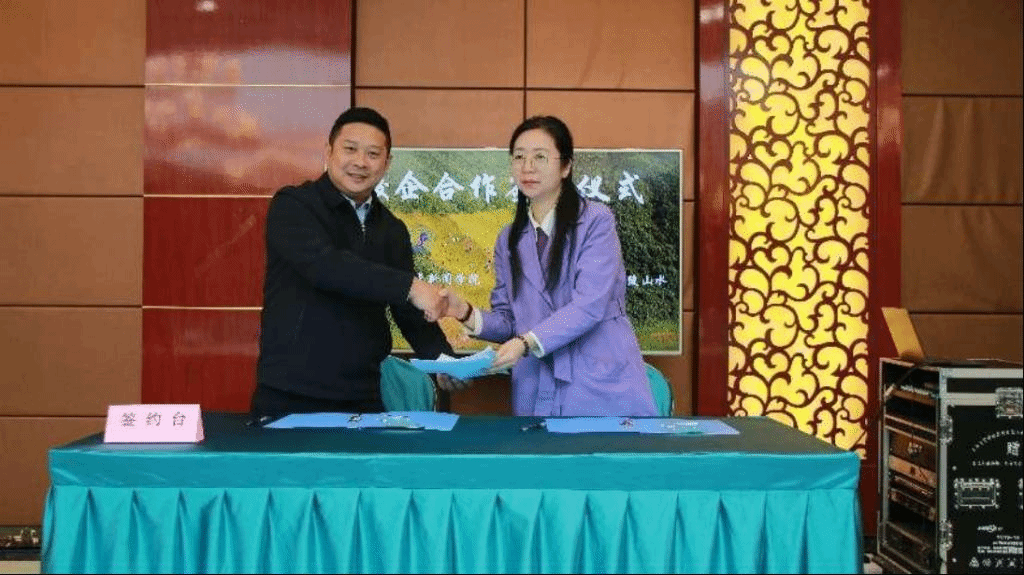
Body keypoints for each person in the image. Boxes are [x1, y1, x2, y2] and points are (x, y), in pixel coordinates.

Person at [439, 116, 657, 416]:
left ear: (565, 166)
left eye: (540, 157)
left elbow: (590, 305)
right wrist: (464, 312)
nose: (527, 167)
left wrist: (525, 342)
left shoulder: (596, 221)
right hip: (537, 384)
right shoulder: (508, 239)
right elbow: (510, 322)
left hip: (598, 381)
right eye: (519, 157)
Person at [252, 106, 454, 417]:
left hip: (363, 394)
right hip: (291, 393)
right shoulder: (294, 206)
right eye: (350, 149)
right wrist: (410, 286)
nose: (360, 162)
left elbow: (407, 312)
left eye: (373, 154)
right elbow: (327, 267)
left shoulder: (392, 228)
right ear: (329, 152)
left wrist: (442, 360)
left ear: (387, 163)